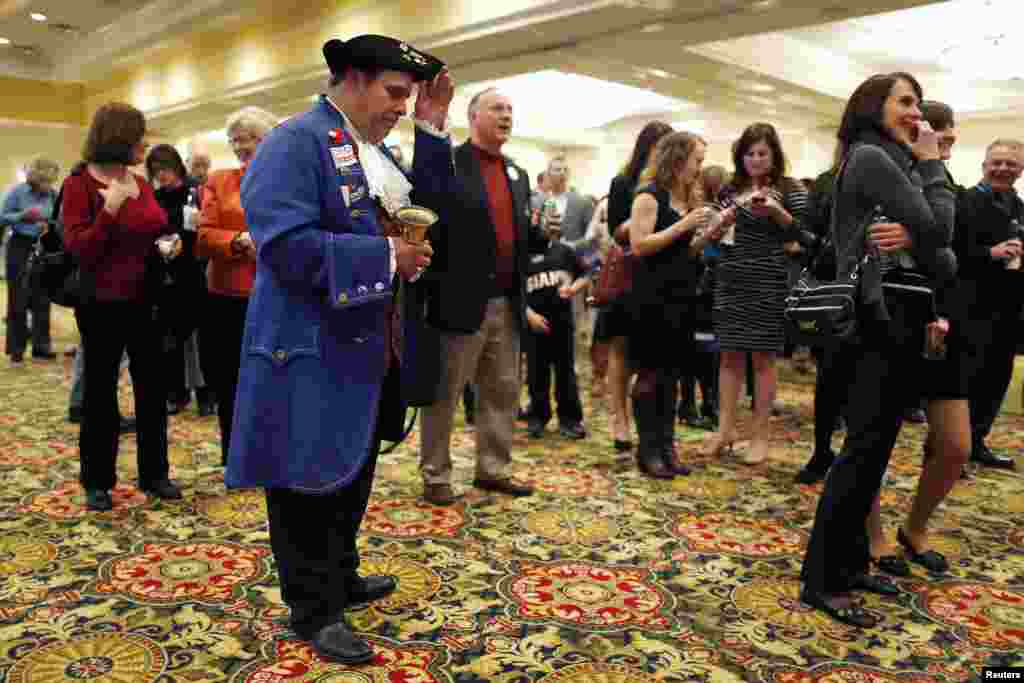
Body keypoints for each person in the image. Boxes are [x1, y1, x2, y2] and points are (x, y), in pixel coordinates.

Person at [227, 35, 452, 663]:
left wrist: (433, 134)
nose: (402, 107)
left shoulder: (370, 151)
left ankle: (340, 573)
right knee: (306, 479)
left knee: (351, 468)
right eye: (395, 93)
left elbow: (429, 213)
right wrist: (387, 256)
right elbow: (284, 246)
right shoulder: (293, 141)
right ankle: (312, 606)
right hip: (308, 345)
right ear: (350, 79)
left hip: (365, 344)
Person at [801, 72, 957, 628]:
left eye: (918, 103)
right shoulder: (871, 158)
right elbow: (941, 228)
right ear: (874, 107)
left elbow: (945, 256)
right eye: (906, 102)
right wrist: (935, 165)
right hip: (870, 323)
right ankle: (821, 579)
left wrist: (923, 234)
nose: (916, 113)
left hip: (897, 320)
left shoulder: (894, 163)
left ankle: (849, 563)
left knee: (874, 454)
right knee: (861, 455)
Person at [417, 87, 541, 506]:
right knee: (445, 394)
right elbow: (432, 226)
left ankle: (493, 469)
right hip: (458, 301)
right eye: (497, 109)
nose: (506, 115)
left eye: (510, 109)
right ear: (473, 117)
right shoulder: (451, 164)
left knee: (502, 390)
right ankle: (436, 475)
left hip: (507, 301)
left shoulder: (518, 173)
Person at [63, 102, 182, 511]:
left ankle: (155, 473)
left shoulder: (139, 181)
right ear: (118, 137)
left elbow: (155, 226)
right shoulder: (78, 184)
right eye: (138, 135)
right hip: (100, 302)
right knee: (100, 394)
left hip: (146, 300)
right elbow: (80, 247)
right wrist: (111, 206)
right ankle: (97, 480)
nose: (144, 143)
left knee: (152, 390)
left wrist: (169, 241)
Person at [705, 123, 809, 465]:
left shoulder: (790, 188)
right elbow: (711, 235)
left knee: (763, 358)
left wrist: (777, 212)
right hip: (731, 276)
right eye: (749, 153)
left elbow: (807, 234)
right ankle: (724, 429)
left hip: (769, 277)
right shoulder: (729, 189)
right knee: (729, 355)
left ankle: (760, 434)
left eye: (762, 153)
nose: (755, 159)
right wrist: (723, 219)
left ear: (774, 155)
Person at [628, 131, 722, 478]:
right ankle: (647, 448)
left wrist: (709, 232)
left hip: (682, 295)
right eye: (697, 160)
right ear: (677, 159)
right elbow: (640, 245)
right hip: (652, 297)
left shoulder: (686, 198)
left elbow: (685, 250)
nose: (700, 168)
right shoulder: (648, 196)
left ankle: (667, 447)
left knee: (672, 375)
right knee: (651, 374)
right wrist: (684, 224)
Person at [195, 106, 278, 466]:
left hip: (277, 294)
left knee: (273, 380)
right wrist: (240, 241)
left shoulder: (288, 178)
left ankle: (274, 454)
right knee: (230, 380)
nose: (242, 147)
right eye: (236, 140)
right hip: (228, 296)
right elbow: (203, 237)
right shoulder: (219, 179)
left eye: (252, 139)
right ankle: (236, 456)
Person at [601, 121, 673, 452]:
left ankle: (650, 425)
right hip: (629, 274)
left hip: (660, 278)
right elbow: (617, 232)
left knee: (648, 356)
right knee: (620, 350)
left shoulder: (674, 187)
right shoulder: (624, 182)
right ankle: (619, 420)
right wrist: (641, 212)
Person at [956, 138, 1024, 471]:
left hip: (1009, 308)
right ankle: (949, 448)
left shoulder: (1019, 206)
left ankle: (976, 442)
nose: (1002, 168)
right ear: (984, 165)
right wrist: (990, 253)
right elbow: (950, 254)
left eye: (1011, 164)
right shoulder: (965, 201)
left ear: (1021, 170)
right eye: (996, 162)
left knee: (996, 377)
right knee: (965, 378)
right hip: (971, 305)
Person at [524, 211, 590, 440]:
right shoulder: (524, 255)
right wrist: (530, 315)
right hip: (535, 324)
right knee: (536, 373)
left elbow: (585, 275)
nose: (549, 227)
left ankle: (570, 419)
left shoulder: (566, 251)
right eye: (545, 222)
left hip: (562, 322)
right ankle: (537, 417)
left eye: (554, 222)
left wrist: (573, 288)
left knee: (565, 372)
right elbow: (515, 291)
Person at [2, 158, 60, 363]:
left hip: (42, 246)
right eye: (44, 181)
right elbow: (2, 217)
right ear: (34, 179)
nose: (47, 186)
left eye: (50, 181)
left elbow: (59, 218)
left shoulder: (53, 194)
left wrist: (50, 224)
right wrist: (22, 216)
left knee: (42, 297)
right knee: (18, 297)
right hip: (19, 246)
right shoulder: (18, 192)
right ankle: (16, 349)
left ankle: (41, 346)